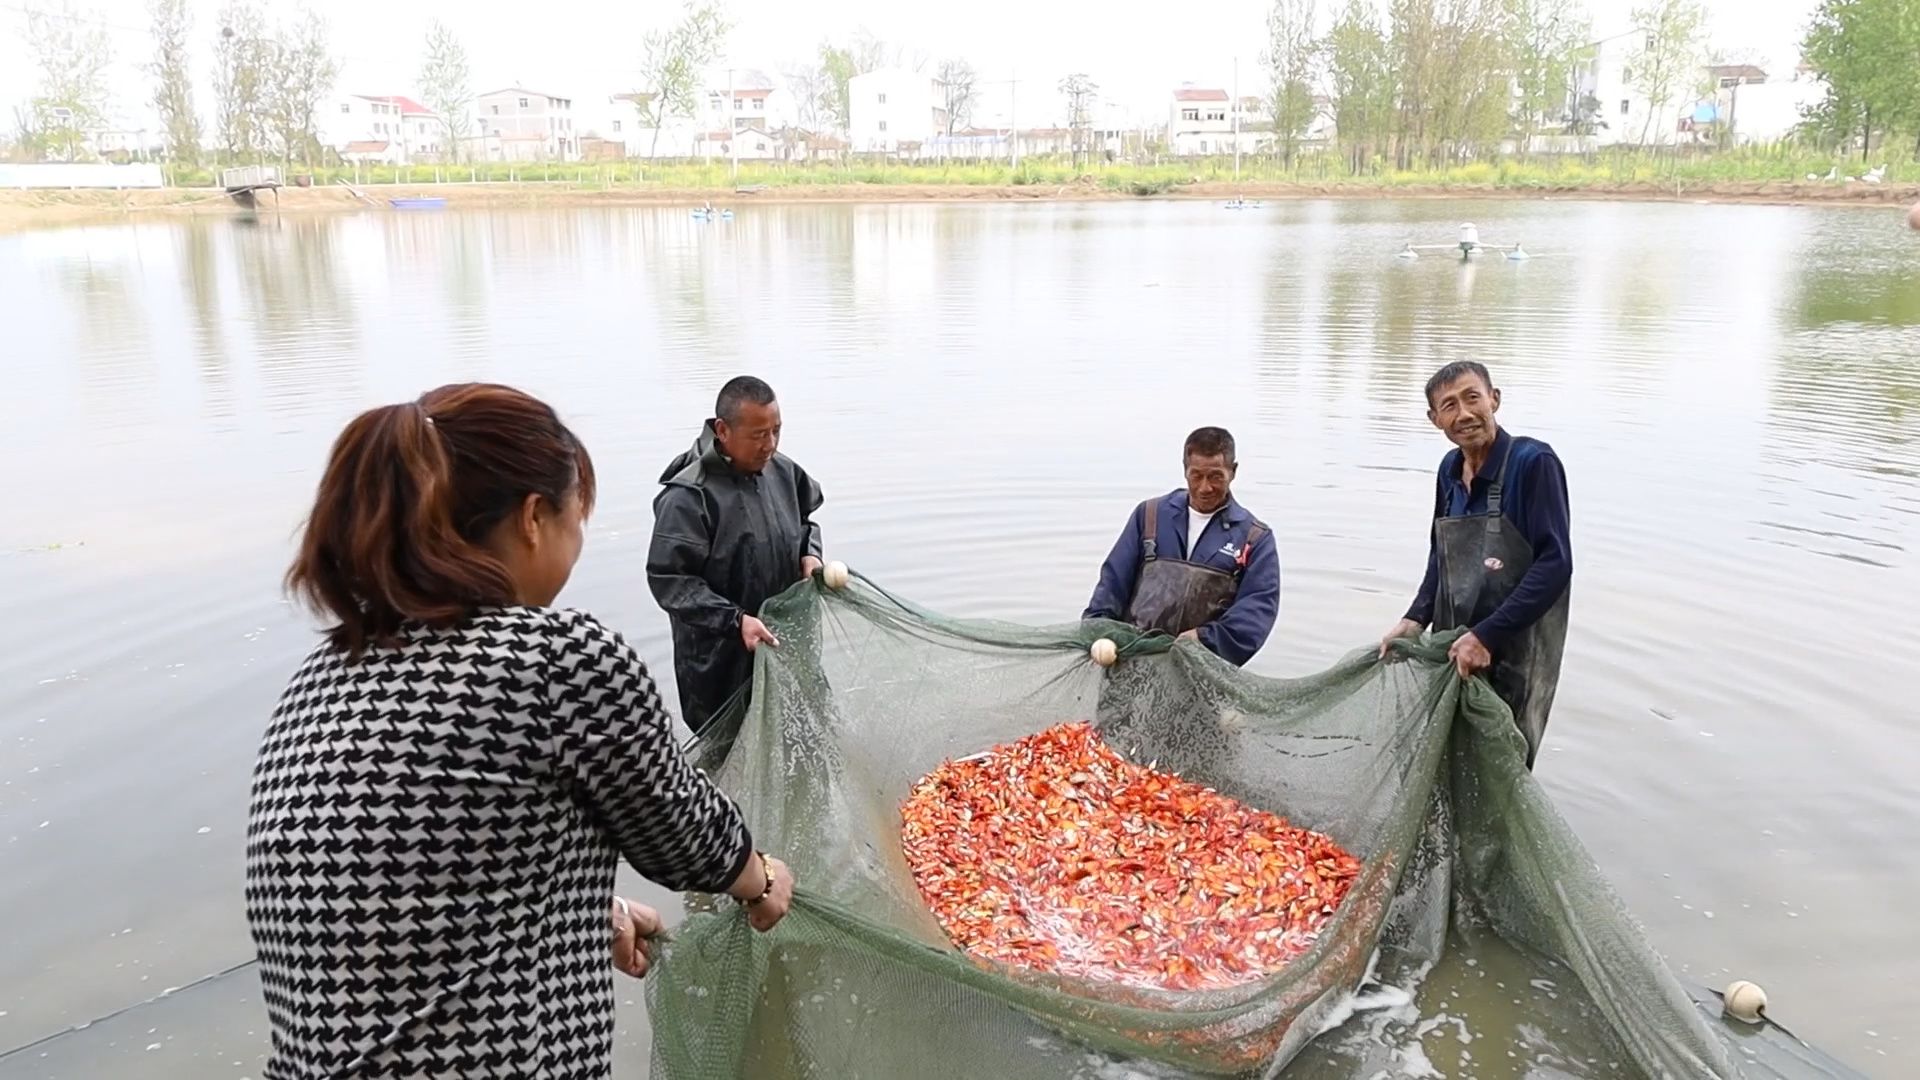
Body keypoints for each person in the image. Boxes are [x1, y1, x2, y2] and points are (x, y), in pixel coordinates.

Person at [248, 383, 794, 1080]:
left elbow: (404, 886)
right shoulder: (557, 658)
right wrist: (761, 878)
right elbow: (686, 836)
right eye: (576, 518)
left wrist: (585, 911)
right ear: (534, 518)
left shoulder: (320, 678)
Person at [1378, 361, 1572, 769]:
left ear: (1494, 399)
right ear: (1435, 419)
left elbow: (1555, 564)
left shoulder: (1533, 462)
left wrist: (1486, 636)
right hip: (1454, 646)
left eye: (1472, 398)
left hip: (1517, 652)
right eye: (1449, 405)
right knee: (1446, 761)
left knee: (1501, 766)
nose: (1464, 413)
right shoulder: (1449, 470)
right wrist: (1415, 618)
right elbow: (1441, 554)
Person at [648, 375, 825, 735]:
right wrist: (735, 621)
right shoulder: (688, 497)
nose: (769, 444)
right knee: (732, 755)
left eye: (776, 431)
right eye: (758, 435)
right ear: (723, 430)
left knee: (801, 741)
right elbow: (670, 580)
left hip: (784, 647)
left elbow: (807, 522)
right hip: (719, 666)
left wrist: (811, 554)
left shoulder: (784, 472)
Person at [1083, 426, 1281, 666]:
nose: (1204, 487)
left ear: (1233, 471)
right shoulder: (1149, 516)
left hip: (1200, 669)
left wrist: (1204, 639)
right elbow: (1112, 584)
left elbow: (1255, 614)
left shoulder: (1255, 539)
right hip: (1132, 661)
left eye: (1216, 476)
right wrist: (1100, 632)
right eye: (1196, 475)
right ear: (1185, 469)